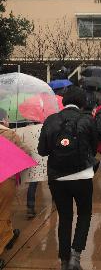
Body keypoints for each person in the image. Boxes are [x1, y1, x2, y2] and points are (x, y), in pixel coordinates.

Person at [38, 86, 98, 270]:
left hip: (57, 177)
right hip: (83, 175)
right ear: (82, 102)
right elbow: (94, 148)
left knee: (64, 217)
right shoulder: (87, 120)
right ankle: (76, 256)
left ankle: (64, 259)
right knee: (84, 214)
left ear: (64, 101)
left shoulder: (51, 120)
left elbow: (42, 151)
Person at [0, 108, 31, 269]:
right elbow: (26, 153)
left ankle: (9, 235)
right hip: (4, 181)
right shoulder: (9, 134)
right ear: (4, 119)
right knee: (3, 213)